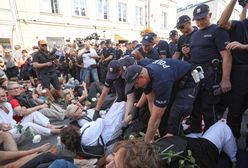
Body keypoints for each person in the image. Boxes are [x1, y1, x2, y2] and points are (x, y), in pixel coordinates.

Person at [97, 121, 237, 168]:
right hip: (202, 151)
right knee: (222, 126)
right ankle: (234, 160)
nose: (109, 165)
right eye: (115, 164)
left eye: (114, 157)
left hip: (184, 144)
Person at [186, 3, 232, 133]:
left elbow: (227, 56)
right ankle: (195, 128)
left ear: (210, 15)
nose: (200, 22)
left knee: (209, 107)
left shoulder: (218, 30)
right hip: (195, 75)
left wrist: (225, 79)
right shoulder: (195, 34)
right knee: (194, 103)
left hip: (211, 75)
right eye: (197, 19)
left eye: (203, 18)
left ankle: (210, 136)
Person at [124, 59, 193, 142]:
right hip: (174, 78)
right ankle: (163, 136)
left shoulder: (161, 81)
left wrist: (147, 142)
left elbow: (156, 118)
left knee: (176, 112)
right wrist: (154, 129)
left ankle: (175, 140)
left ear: (142, 77)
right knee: (162, 114)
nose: (136, 87)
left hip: (189, 79)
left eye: (136, 83)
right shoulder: (146, 75)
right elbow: (151, 101)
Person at [218, 0, 248, 139]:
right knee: (235, 111)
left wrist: (244, 46)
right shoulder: (241, 24)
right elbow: (222, 23)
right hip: (240, 74)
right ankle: (231, 144)